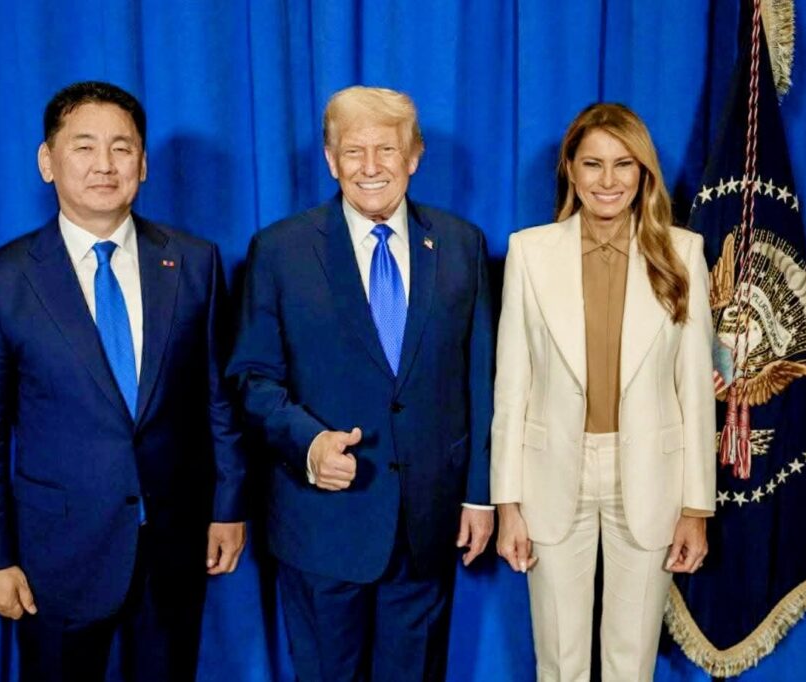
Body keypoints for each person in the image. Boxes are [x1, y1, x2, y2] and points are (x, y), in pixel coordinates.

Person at [0, 81, 246, 681]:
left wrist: (228, 508)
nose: (105, 165)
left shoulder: (195, 262)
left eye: (122, 148)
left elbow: (219, 399)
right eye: (84, 147)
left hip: (174, 544)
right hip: (55, 557)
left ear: (143, 163)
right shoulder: (0, 281)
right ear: (47, 161)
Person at [227, 85, 494, 681]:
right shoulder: (279, 251)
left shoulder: (461, 245)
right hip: (321, 526)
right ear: (330, 159)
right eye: (353, 151)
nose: (370, 167)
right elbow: (252, 378)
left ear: (414, 155)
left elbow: (480, 381)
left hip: (426, 526)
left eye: (387, 149)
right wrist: (309, 443)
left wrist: (478, 495)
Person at [491, 103, 716, 681]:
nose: (608, 180)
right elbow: (512, 389)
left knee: (630, 663)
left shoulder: (683, 253)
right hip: (550, 475)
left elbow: (695, 389)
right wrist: (507, 504)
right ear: (570, 169)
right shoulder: (529, 252)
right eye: (593, 163)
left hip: (649, 477)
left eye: (623, 164)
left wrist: (696, 508)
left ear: (643, 173)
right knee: (558, 662)